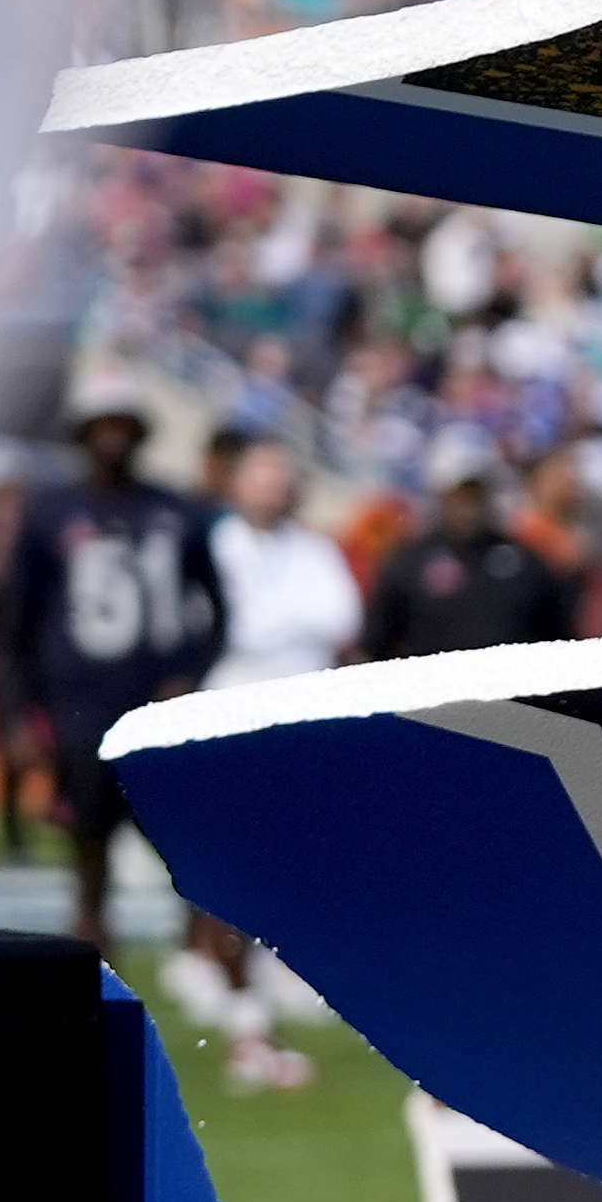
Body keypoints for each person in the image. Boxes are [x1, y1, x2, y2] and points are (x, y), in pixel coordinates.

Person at [0, 383, 227, 958]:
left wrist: (191, 672)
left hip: (158, 701)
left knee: (179, 833)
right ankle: (95, 940)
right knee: (90, 835)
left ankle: (198, 946)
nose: (113, 436)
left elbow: (217, 608)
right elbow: (17, 621)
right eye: (102, 424)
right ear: (82, 432)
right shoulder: (50, 512)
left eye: (123, 423)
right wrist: (20, 712)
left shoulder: (175, 510)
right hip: (80, 701)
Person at [171, 434, 366, 1090]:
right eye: (259, 474)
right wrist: (286, 624)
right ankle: (242, 1017)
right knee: (231, 868)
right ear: (235, 482)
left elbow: (339, 615)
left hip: (301, 721)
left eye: (281, 475)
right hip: (229, 715)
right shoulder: (213, 544)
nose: (272, 487)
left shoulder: (313, 549)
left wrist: (274, 624)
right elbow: (228, 627)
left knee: (292, 865)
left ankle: (268, 986)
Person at [362, 432, 582, 660]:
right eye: (461, 494)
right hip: (437, 682)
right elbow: (377, 644)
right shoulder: (409, 563)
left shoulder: (526, 564)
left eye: (476, 493)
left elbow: (560, 640)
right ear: (441, 494)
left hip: (510, 681)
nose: (469, 505)